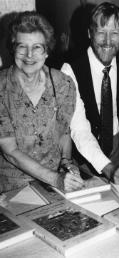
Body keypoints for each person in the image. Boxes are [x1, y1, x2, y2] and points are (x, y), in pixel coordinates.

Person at [0, 11, 85, 192]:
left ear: (46, 51)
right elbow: (11, 152)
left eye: (37, 47)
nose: (29, 55)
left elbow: (63, 134)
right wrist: (56, 179)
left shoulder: (63, 84)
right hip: (11, 187)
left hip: (55, 184)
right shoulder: (1, 87)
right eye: (22, 46)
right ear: (13, 48)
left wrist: (66, 164)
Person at [62, 2, 119, 182]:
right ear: (90, 33)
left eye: (114, 33)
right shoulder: (70, 70)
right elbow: (79, 129)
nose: (107, 41)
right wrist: (108, 167)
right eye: (101, 32)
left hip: (117, 142)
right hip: (83, 152)